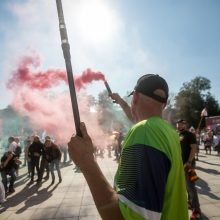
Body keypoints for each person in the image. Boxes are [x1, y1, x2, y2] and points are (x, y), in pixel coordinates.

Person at [68, 74, 188, 220]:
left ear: (135, 97)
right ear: (165, 103)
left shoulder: (145, 131)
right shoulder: (168, 131)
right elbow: (137, 119)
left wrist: (87, 163)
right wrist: (120, 102)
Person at [176, 119, 201, 219]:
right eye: (177, 124)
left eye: (181, 124)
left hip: (188, 164)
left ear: (185, 125)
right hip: (179, 164)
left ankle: (196, 210)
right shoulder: (177, 134)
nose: (178, 126)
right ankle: (190, 203)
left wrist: (189, 162)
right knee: (185, 186)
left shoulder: (189, 135)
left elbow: (194, 148)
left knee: (190, 187)